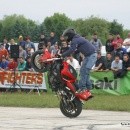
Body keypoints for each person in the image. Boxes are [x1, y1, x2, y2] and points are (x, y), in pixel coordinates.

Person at [61, 28, 97, 92]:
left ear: (70, 35)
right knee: (83, 72)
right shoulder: (77, 38)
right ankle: (89, 88)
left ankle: (82, 88)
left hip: (91, 56)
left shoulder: (75, 40)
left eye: (66, 36)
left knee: (85, 72)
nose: (66, 38)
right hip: (88, 56)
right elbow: (76, 50)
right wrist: (71, 53)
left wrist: (63, 55)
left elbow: (72, 49)